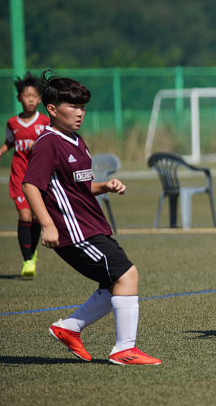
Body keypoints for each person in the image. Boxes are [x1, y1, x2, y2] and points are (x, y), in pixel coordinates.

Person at [22, 71, 161, 365]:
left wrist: (103, 186)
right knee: (127, 275)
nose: (80, 112)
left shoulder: (75, 139)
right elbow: (31, 185)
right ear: (52, 109)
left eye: (83, 107)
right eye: (73, 106)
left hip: (91, 226)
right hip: (73, 232)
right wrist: (47, 225)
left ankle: (69, 328)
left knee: (114, 282)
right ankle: (124, 349)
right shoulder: (48, 142)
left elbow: (78, 186)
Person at [1, 72, 50, 277]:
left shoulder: (46, 121)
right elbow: (9, 143)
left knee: (37, 219)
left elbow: (53, 146)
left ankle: (32, 250)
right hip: (19, 177)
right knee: (24, 214)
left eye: (35, 95)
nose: (31, 99)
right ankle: (27, 261)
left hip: (39, 177)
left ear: (39, 99)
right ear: (19, 97)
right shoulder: (12, 123)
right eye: (26, 95)